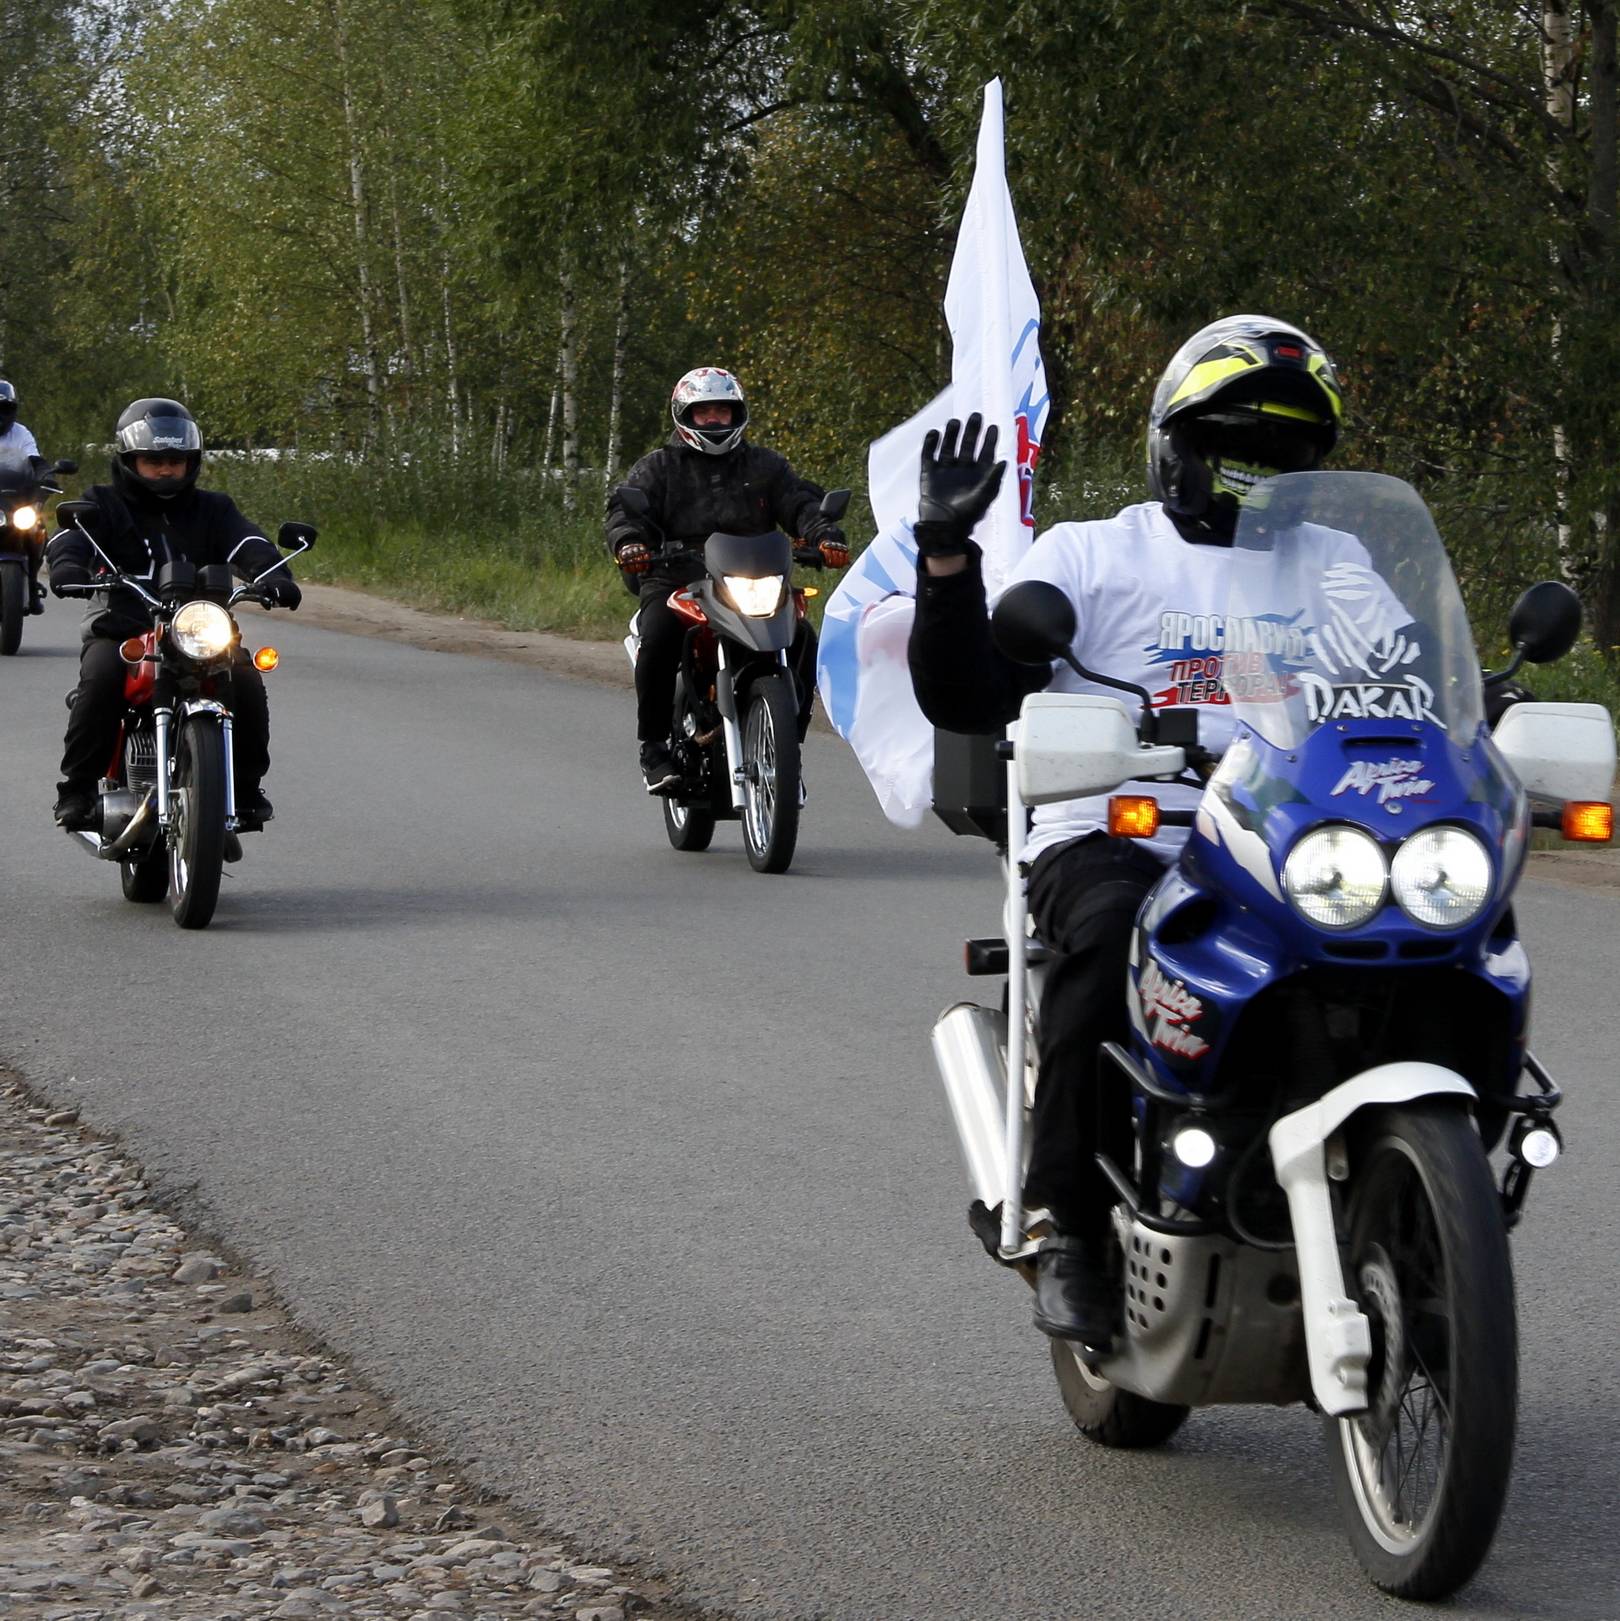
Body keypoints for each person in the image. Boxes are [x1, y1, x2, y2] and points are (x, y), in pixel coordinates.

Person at [907, 315, 1344, 1347]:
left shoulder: (1338, 565)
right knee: (1112, 933)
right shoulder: (1093, 556)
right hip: (1125, 829)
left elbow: (1417, 679)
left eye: (1279, 451)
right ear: (1178, 446)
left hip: (1293, 841)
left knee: (1434, 925)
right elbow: (971, 692)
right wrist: (945, 558)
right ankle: (1067, 1225)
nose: (1253, 469)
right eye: (1234, 443)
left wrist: (1482, 713)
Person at [46, 397, 301, 832]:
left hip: (199, 629)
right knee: (102, 677)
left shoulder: (213, 508)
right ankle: (78, 788)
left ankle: (245, 785)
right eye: (153, 461)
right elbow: (71, 538)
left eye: (175, 461)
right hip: (124, 627)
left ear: (192, 462)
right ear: (130, 461)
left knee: (245, 680)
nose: (166, 470)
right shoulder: (103, 504)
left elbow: (247, 542)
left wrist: (273, 572)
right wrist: (69, 564)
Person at [605, 366, 849, 792]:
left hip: (754, 577)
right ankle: (654, 747)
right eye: (705, 413)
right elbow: (624, 512)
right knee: (659, 631)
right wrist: (630, 544)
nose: (715, 420)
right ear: (685, 416)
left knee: (804, 638)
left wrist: (824, 534)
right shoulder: (658, 468)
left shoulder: (765, 465)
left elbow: (800, 502)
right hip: (676, 577)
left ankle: (785, 750)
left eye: (723, 411)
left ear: (738, 414)